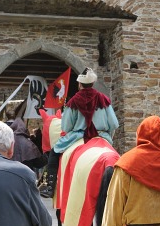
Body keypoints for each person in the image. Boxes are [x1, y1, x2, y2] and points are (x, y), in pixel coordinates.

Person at [41, 68, 119, 198]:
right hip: (101, 135)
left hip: (78, 136)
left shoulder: (73, 101)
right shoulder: (103, 99)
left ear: (79, 84)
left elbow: (66, 126)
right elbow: (114, 124)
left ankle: (50, 187)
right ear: (93, 83)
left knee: (54, 152)